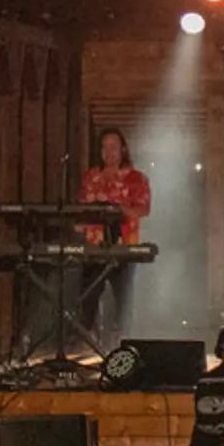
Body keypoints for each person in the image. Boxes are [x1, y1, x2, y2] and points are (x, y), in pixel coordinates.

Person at [78, 128, 152, 348]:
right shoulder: (91, 177)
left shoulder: (137, 178)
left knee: (124, 299)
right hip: (94, 247)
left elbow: (144, 209)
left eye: (113, 146)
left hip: (123, 247)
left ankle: (123, 343)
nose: (109, 152)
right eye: (104, 147)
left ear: (123, 150)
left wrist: (117, 210)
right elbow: (81, 211)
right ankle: (86, 341)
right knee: (88, 296)